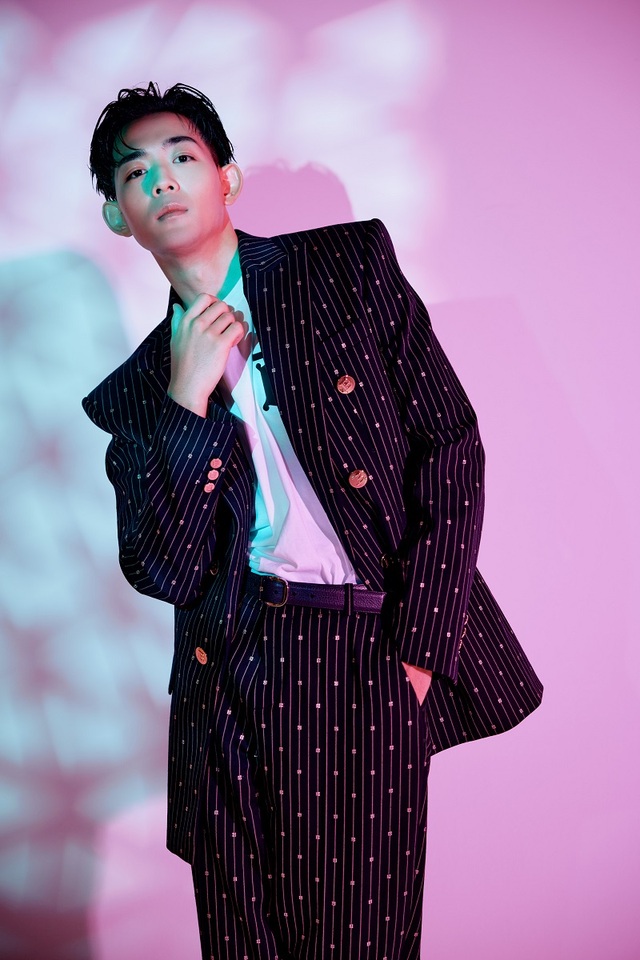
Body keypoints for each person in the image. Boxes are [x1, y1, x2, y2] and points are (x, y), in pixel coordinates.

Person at [84, 82, 542, 960]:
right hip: (223, 680)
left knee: (354, 943)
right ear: (118, 217)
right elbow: (164, 569)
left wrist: (417, 653)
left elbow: (451, 445)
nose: (162, 180)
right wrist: (186, 400)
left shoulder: (344, 268)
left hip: (357, 653)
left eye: (183, 157)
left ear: (227, 177)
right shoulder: (139, 393)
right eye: (135, 174)